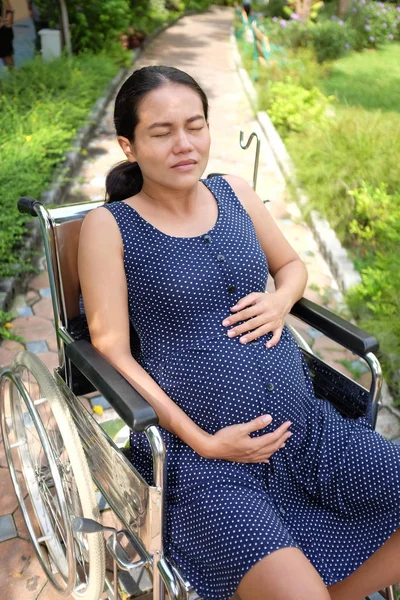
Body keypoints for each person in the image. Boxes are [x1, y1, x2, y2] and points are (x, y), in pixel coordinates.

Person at [78, 65, 400, 600]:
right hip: (205, 461)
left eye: (195, 125)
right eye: (161, 132)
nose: (184, 144)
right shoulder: (108, 226)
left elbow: (293, 266)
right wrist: (205, 441)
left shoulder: (233, 192)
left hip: (308, 433)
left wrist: (279, 299)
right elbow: (110, 345)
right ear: (127, 146)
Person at [0, 0, 14, 69]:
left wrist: (10, 15)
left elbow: (9, 8)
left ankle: (14, 78)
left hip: (3, 29)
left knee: (7, 55)